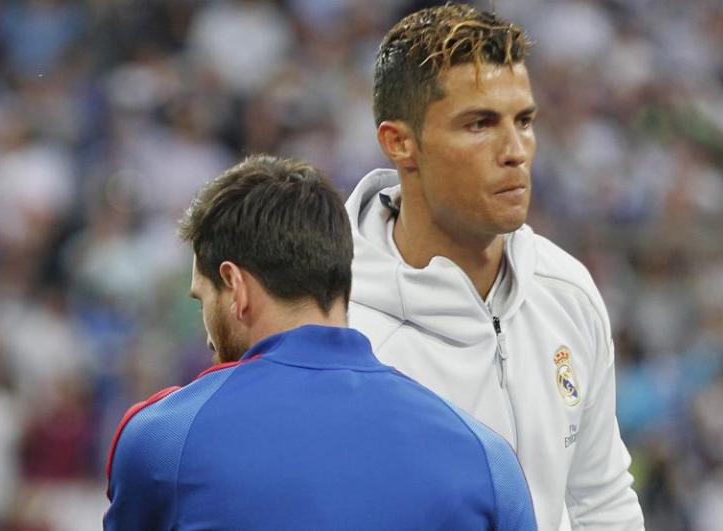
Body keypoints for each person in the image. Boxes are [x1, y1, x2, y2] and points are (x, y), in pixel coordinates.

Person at [103, 154, 536, 530]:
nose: (208, 334)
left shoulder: (165, 440)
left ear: (236, 288)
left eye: (203, 298)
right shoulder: (487, 458)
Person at [346, 4, 645, 530]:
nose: (516, 151)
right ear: (400, 143)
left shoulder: (566, 288)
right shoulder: (337, 325)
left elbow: (600, 500)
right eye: (480, 123)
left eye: (524, 121)